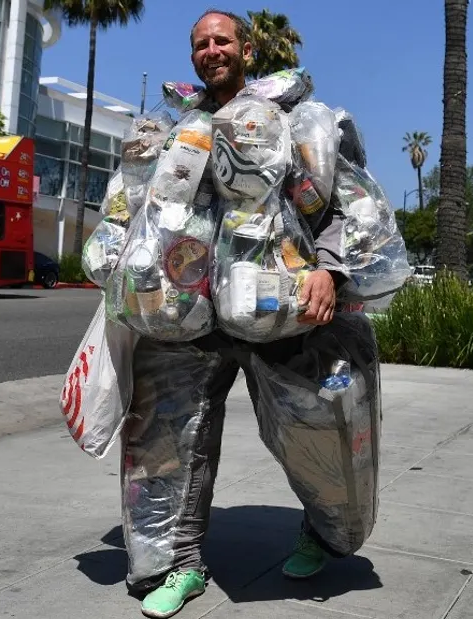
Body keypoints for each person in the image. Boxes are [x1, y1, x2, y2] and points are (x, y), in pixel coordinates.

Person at [120, 10, 362, 618]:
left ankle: (323, 529)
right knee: (173, 438)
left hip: (280, 305)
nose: (211, 51)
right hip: (188, 314)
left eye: (221, 40)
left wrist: (329, 271)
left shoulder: (288, 120)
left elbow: (339, 202)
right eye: (201, 44)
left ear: (245, 49)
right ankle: (181, 565)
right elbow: (139, 211)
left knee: (308, 430)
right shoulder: (181, 127)